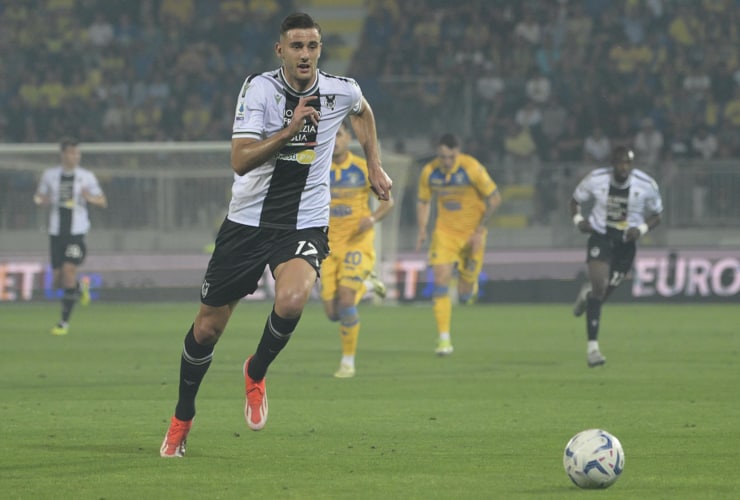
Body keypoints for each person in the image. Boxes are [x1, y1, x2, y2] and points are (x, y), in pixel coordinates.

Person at [160, 12, 392, 458]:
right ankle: (183, 417)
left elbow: (362, 112)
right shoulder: (260, 89)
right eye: (297, 46)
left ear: (320, 49)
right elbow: (239, 160)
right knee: (207, 330)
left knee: (291, 300)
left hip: (302, 220)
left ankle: (256, 369)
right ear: (280, 50)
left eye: (312, 46)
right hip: (247, 222)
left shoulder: (341, 89)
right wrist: (289, 131)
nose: (305, 54)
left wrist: (374, 163)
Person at [571, 145, 663, 367]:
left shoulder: (646, 185)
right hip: (601, 236)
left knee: (601, 295)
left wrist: (640, 230)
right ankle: (593, 348)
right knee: (600, 287)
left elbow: (657, 214)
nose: (623, 167)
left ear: (631, 165)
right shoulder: (596, 179)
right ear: (612, 164)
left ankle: (588, 295)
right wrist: (579, 221)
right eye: (619, 163)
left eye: (627, 163)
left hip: (626, 244)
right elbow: (575, 200)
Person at [320, 120, 394, 378]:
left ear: (347, 137)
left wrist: (372, 219)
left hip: (356, 244)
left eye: (339, 135)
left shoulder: (363, 169)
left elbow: (388, 202)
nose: (336, 140)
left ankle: (347, 362)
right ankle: (369, 283)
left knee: (347, 300)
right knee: (332, 313)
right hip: (326, 248)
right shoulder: (317, 171)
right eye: (332, 136)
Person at [416, 133, 502, 356]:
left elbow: (495, 199)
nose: (446, 162)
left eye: (450, 157)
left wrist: (480, 229)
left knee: (464, 294)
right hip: (444, 233)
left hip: (472, 234)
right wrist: (423, 228)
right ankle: (444, 339)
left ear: (458, 152)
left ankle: (468, 288)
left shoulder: (472, 168)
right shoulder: (429, 172)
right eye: (442, 156)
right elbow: (424, 201)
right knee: (441, 280)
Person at [33, 137, 108, 336]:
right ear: (63, 154)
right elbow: (38, 196)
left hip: (77, 233)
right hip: (56, 232)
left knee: (68, 270)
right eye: (71, 153)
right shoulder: (50, 175)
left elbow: (102, 201)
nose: (75, 156)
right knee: (58, 280)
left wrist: (89, 198)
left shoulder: (86, 176)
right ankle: (80, 287)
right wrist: (42, 200)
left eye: (77, 153)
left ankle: (63, 323)